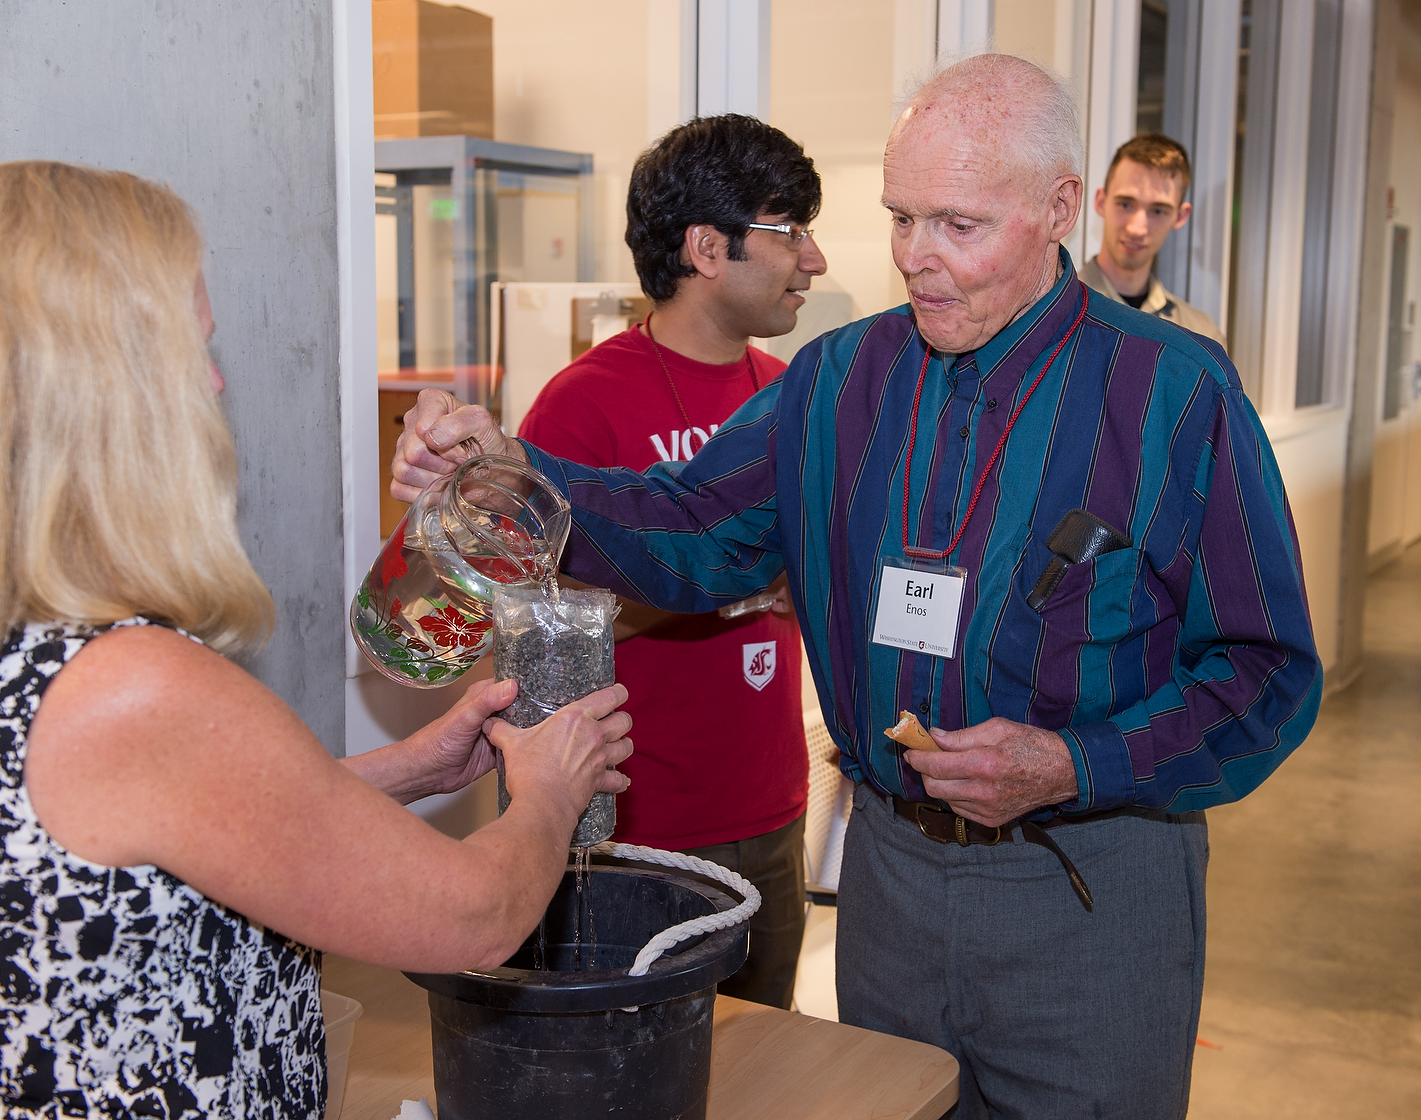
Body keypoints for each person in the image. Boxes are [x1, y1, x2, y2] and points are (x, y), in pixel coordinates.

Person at [392, 54, 1322, 1119]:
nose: (916, 259)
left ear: (1058, 208)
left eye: (957, 225)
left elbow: (1265, 671)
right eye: (901, 218)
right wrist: (508, 472)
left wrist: (1073, 760)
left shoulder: (1173, 392)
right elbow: (691, 527)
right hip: (889, 884)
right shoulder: (837, 382)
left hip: (1089, 889)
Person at [0, 162, 632, 1119]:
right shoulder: (125, 686)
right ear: (89, 392)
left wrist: (409, 767)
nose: (212, 383)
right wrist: (548, 790)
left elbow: (147, 831)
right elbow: (474, 917)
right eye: (189, 350)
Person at [516, 114, 825, 1010]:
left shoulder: (790, 400)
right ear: (706, 248)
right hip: (637, 828)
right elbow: (541, 632)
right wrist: (720, 590)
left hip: (771, 806)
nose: (813, 259)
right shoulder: (582, 409)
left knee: (766, 1068)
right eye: (788, 230)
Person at [1080, 132, 1225, 344]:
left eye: (1158, 211)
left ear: (1180, 216)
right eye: (1125, 204)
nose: (1137, 228)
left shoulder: (1200, 336)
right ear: (1101, 202)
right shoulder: (1050, 313)